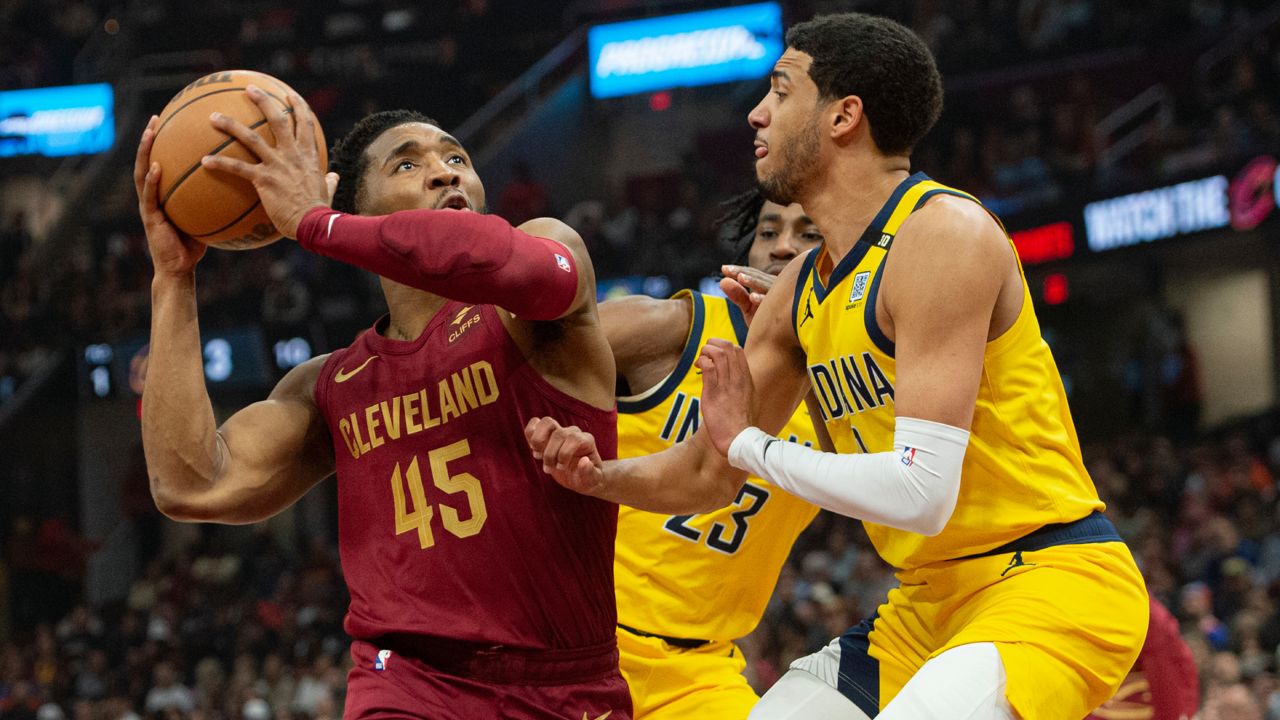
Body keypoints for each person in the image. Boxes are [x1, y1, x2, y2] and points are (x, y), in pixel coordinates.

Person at [525, 12, 1148, 720]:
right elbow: (706, 474)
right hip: (927, 602)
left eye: (781, 92)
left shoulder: (943, 234)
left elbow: (922, 492)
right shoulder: (796, 295)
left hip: (1050, 579)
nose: (757, 114)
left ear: (843, 117)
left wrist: (750, 443)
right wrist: (596, 476)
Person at [135, 88, 629, 719]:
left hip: (564, 685)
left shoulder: (536, 283)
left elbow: (518, 267)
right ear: (357, 206)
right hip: (404, 682)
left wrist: (317, 224)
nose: (446, 170)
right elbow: (189, 485)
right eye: (407, 164)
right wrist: (173, 279)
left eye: (456, 157)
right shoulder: (333, 385)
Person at [603, 192, 823, 718]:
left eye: (808, 235)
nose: (782, 247)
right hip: (582, 641)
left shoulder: (843, 389)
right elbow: (511, 358)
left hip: (700, 674)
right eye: (768, 233)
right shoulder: (678, 328)